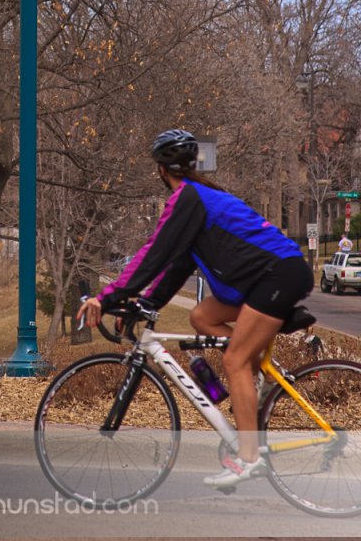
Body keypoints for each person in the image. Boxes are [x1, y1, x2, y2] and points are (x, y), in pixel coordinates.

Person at [78, 128, 314, 489]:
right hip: (265, 278)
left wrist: (107, 297)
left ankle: (249, 457)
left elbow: (153, 253)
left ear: (161, 170)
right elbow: (177, 265)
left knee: (235, 359)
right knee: (201, 316)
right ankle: (263, 375)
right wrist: (145, 304)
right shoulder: (196, 198)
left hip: (277, 274)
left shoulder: (188, 199)